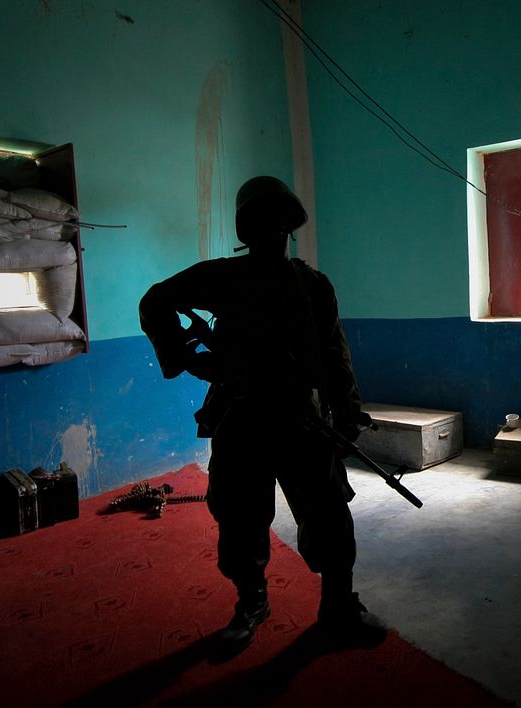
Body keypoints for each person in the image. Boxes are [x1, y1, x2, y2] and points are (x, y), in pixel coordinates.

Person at [138, 175, 387, 657]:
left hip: (302, 419)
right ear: (245, 229)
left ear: (290, 224)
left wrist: (348, 413)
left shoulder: (313, 285)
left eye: (279, 220)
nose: (271, 230)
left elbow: (335, 355)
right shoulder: (223, 278)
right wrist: (188, 360)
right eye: (259, 220)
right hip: (241, 418)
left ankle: (338, 605)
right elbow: (154, 302)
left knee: (330, 517)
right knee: (239, 518)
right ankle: (251, 603)